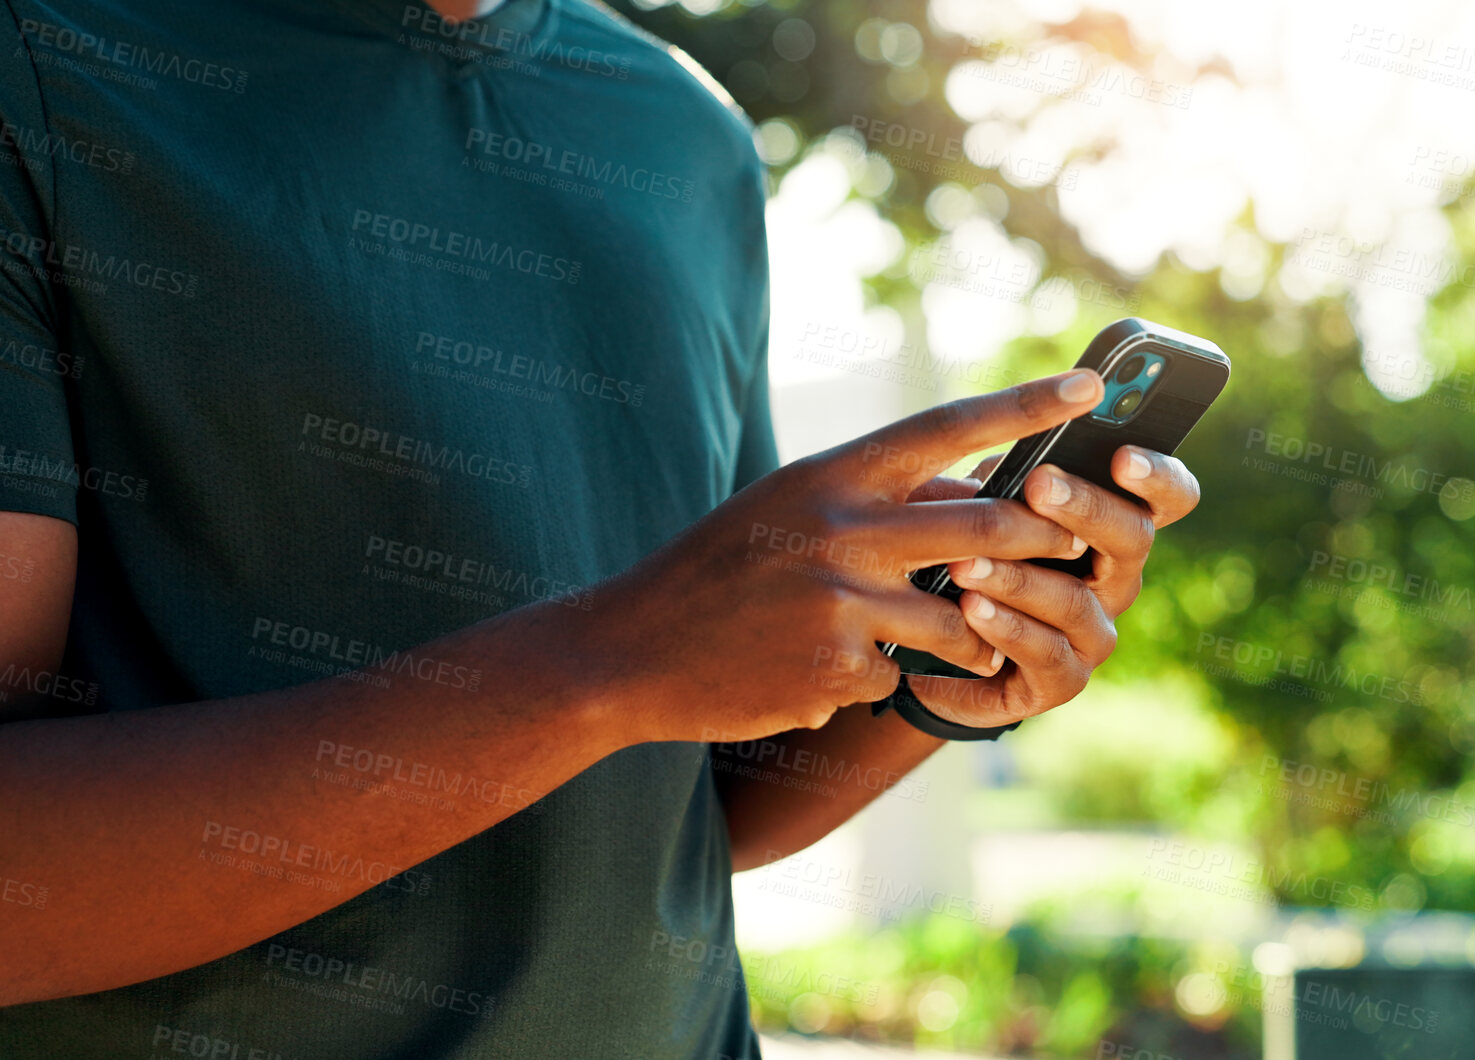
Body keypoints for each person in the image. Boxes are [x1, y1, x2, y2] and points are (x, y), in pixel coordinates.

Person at [0, 0, 1201, 1055]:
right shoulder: (45, 59)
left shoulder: (688, 132)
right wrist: (608, 661)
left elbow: (695, 793)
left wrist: (945, 659)